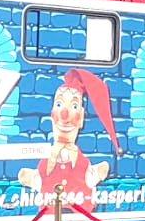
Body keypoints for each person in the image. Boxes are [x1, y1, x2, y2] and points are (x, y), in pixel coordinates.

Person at [17, 68, 119, 209]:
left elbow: (88, 176)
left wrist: (97, 172)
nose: (64, 116)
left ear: (81, 117)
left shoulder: (81, 162)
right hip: (49, 212)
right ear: (52, 114)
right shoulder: (46, 162)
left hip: (80, 212)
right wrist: (30, 177)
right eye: (59, 104)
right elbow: (39, 177)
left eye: (74, 106)